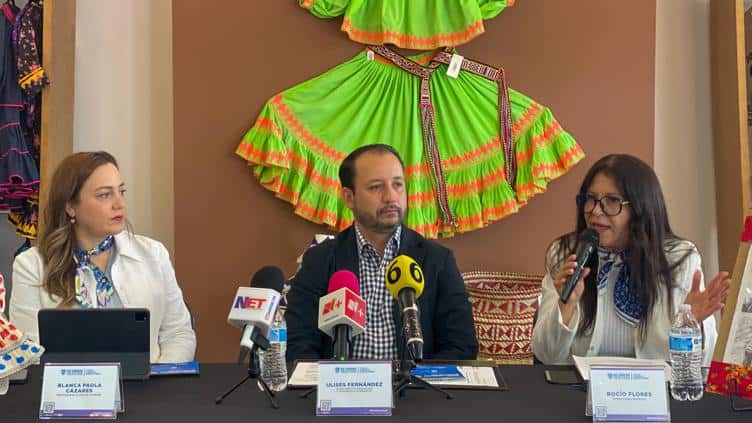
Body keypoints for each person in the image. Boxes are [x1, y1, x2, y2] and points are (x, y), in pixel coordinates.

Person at [532, 154, 731, 365]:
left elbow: (704, 363)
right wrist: (565, 306)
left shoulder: (678, 259)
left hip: (656, 385)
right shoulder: (566, 254)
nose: (595, 211)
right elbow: (546, 355)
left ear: (640, 209)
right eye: (590, 199)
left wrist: (691, 325)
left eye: (611, 201)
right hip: (579, 384)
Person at [286, 144, 478, 361]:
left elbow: (461, 346)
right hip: (338, 381)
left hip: (415, 381)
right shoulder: (319, 260)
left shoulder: (438, 261)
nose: (391, 197)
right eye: (376, 187)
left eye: (397, 184)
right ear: (349, 197)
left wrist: (419, 378)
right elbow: (298, 345)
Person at [10, 151, 196, 363]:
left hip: (149, 381)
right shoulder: (30, 265)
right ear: (71, 207)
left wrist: (159, 376)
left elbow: (178, 334)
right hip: (67, 383)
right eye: (105, 195)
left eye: (121, 191)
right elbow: (28, 352)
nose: (119, 204)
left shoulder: (154, 253)